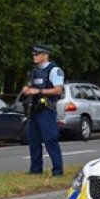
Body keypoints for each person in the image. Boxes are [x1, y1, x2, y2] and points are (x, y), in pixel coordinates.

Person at [23, 44, 65, 176]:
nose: (34, 56)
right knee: (33, 139)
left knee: (50, 139)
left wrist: (39, 91)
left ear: (45, 55)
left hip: (46, 109)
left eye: (37, 54)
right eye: (34, 54)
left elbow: (58, 89)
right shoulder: (34, 71)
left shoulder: (54, 70)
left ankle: (57, 170)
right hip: (34, 109)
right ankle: (35, 169)